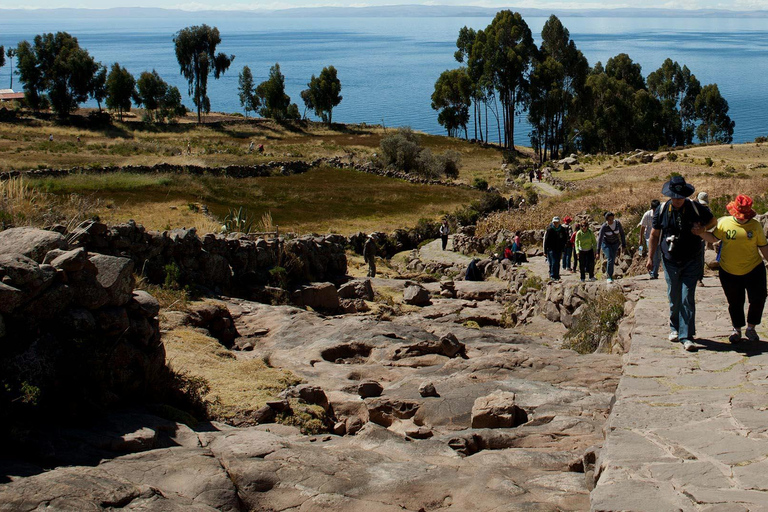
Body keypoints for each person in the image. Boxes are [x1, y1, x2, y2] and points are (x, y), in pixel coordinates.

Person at [647, 176, 715, 352]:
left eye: (680, 196)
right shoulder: (662, 210)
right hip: (670, 260)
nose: (677, 200)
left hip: (691, 259)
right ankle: (674, 327)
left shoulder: (694, 207)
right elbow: (654, 235)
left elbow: (713, 220)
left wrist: (702, 230)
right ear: (669, 195)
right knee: (674, 295)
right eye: (674, 196)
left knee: (687, 296)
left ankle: (686, 336)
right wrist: (650, 258)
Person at [695, 194, 768, 343]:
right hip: (729, 270)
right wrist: (701, 233)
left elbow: (763, 246)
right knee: (735, 301)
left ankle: (751, 328)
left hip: (753, 268)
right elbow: (714, 238)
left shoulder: (755, 226)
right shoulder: (724, 223)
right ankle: (737, 329)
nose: (742, 218)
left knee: (758, 298)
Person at [597, 212, 626, 283]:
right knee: (610, 257)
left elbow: (622, 234)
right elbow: (600, 239)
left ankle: (611, 274)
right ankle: (609, 276)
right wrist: (597, 252)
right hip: (606, 244)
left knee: (613, 258)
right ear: (606, 220)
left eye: (612, 219)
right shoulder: (604, 226)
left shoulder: (617, 223)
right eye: (609, 220)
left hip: (615, 243)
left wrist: (624, 245)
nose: (611, 221)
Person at [639, 199, 662, 279]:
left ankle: (654, 272)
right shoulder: (647, 215)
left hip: (659, 238)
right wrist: (641, 239)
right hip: (649, 238)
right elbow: (642, 227)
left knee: (658, 256)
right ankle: (652, 272)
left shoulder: (662, 214)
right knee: (654, 254)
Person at [543, 216, 568, 281]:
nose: (556, 224)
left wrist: (563, 246)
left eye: (557, 222)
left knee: (557, 262)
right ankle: (552, 275)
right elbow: (546, 240)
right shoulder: (550, 229)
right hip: (551, 249)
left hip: (559, 248)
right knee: (553, 262)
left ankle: (557, 275)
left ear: (559, 222)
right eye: (554, 222)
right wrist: (545, 251)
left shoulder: (562, 229)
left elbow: (565, 238)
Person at [695, 191, 709, 286]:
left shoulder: (707, 210)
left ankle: (699, 278)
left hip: (701, 237)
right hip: (691, 236)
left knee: (700, 258)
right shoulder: (692, 208)